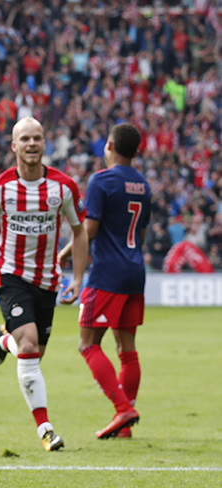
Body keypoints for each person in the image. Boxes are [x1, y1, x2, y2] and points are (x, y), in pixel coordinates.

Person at [0, 116, 88, 452]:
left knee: (32, 354)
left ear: (44, 143)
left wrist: (77, 278)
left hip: (48, 280)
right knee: (31, 346)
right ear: (14, 146)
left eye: (37, 138)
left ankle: (5, 341)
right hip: (10, 274)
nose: (32, 144)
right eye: (25, 139)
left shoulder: (63, 187)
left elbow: (79, 232)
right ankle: (46, 430)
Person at [58, 123, 149, 439]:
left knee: (88, 344)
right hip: (135, 272)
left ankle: (123, 408)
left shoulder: (101, 180)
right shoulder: (144, 184)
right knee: (127, 348)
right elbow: (142, 234)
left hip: (107, 274)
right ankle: (124, 424)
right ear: (135, 150)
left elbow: (89, 229)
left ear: (109, 145)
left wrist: (67, 254)